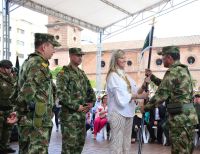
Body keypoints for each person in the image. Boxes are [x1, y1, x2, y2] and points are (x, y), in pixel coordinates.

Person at [142, 46, 198, 154]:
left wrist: (145, 108)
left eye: (163, 57)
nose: (162, 59)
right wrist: (152, 77)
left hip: (180, 118)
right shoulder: (183, 69)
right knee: (186, 149)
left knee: (179, 150)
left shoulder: (172, 71)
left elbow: (161, 94)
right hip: (188, 117)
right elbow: (168, 86)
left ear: (169, 57)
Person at [16, 33, 60, 154]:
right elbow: (28, 91)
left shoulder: (28, 61)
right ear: (44, 47)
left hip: (30, 120)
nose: (54, 51)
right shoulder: (38, 63)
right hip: (36, 122)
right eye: (52, 47)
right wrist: (18, 112)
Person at [106, 49, 148, 154]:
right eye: (121, 57)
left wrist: (144, 85)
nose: (124, 59)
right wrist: (140, 96)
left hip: (128, 113)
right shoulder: (113, 76)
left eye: (125, 57)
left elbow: (135, 91)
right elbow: (122, 97)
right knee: (117, 144)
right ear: (115, 60)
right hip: (117, 113)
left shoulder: (126, 76)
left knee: (126, 144)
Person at [56, 47, 96, 154]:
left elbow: (90, 90)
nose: (80, 58)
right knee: (69, 147)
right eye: (78, 55)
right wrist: (76, 106)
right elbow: (61, 94)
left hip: (81, 116)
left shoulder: (81, 74)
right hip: (69, 117)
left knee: (79, 145)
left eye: (81, 56)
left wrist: (92, 102)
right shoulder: (64, 73)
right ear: (70, 56)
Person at [0, 60, 17, 153]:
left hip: (10, 109)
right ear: (1, 68)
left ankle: (5, 146)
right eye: (8, 68)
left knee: (8, 130)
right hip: (0, 109)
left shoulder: (11, 78)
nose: (10, 69)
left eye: (10, 68)